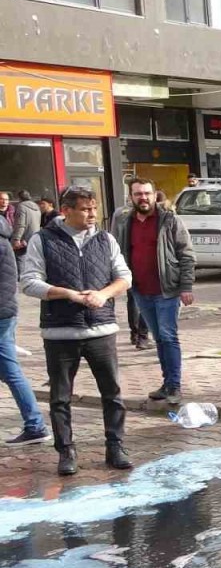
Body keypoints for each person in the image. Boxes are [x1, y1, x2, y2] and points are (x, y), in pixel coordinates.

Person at [20, 187, 133, 475]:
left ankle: (115, 446)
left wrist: (104, 294)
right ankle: (66, 451)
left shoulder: (106, 239)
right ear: (66, 210)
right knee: (60, 397)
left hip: (101, 329)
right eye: (85, 209)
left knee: (113, 393)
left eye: (94, 208)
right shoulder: (42, 240)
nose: (92, 214)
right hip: (60, 333)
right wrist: (67, 294)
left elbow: (124, 277)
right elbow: (30, 282)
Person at [110, 178, 196, 406]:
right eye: (138, 194)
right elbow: (116, 254)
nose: (143, 198)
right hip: (140, 291)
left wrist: (186, 286)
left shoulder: (169, 220)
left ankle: (175, 386)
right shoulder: (125, 221)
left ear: (154, 194)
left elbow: (186, 254)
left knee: (168, 337)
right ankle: (166, 384)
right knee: (158, 338)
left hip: (166, 290)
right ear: (131, 197)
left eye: (147, 193)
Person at [0, 209, 50, 446]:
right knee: (8, 371)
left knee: (10, 372)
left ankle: (35, 425)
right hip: (5, 313)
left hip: (1, 316)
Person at [107, 204, 152, 351]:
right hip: (136, 261)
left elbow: (113, 236)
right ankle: (142, 335)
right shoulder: (147, 214)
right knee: (146, 299)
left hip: (125, 260)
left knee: (134, 299)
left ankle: (135, 334)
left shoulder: (119, 212)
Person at [10, 190, 40, 258]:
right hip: (34, 237)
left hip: (23, 239)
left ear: (19, 198)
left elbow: (20, 224)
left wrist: (16, 239)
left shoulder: (21, 206)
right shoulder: (36, 207)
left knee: (20, 260)